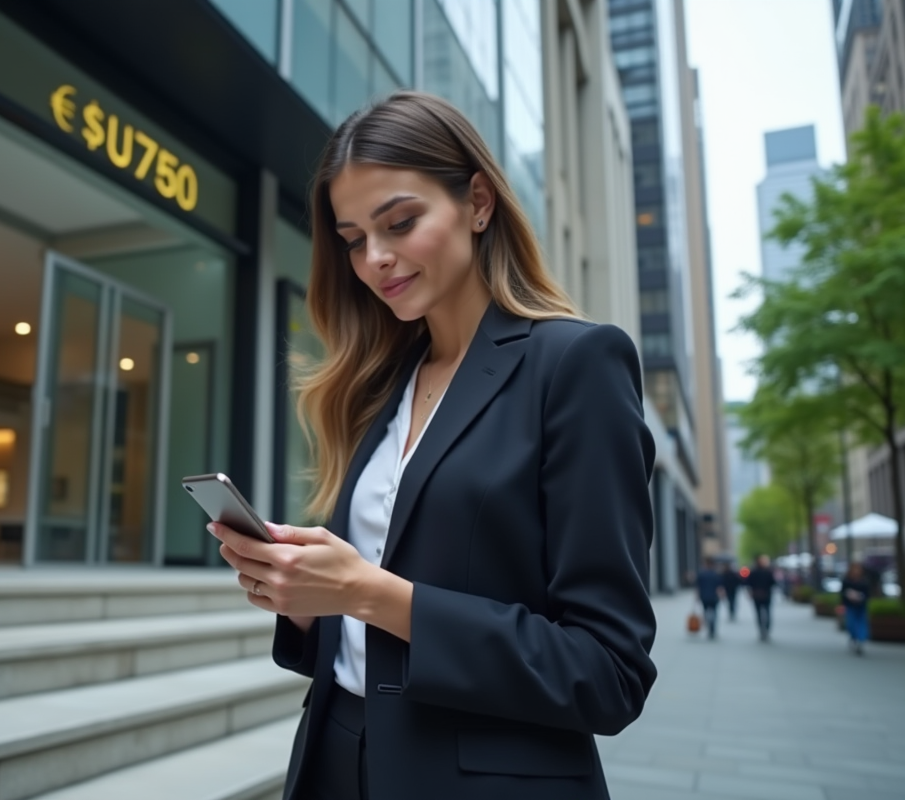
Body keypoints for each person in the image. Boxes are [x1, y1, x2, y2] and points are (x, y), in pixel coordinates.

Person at [209, 92, 657, 800]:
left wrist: (370, 592)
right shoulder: (381, 384)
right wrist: (309, 602)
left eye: (401, 222)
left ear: (478, 202)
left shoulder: (576, 364)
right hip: (334, 762)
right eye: (354, 239)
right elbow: (370, 631)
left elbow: (607, 670)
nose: (375, 259)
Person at [841, 562, 871, 656]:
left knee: (862, 623)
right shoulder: (847, 581)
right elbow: (842, 593)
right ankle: (854, 638)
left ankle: (860, 641)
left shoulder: (864, 582)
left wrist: (860, 597)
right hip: (850, 606)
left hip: (861, 606)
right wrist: (848, 596)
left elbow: (867, 595)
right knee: (851, 623)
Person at [748, 554, 777, 642]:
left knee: (758, 613)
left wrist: (751, 592)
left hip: (756, 595)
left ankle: (761, 630)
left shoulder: (753, 572)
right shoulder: (768, 572)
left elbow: (749, 583)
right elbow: (773, 583)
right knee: (767, 612)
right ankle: (766, 629)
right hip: (766, 595)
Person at [696, 559, 724, 639]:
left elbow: (698, 587)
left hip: (704, 597)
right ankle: (712, 628)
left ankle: (708, 626)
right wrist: (721, 596)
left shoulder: (701, 574)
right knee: (714, 613)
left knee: (705, 612)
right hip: (714, 597)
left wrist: (697, 598)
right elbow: (720, 587)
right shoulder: (716, 574)